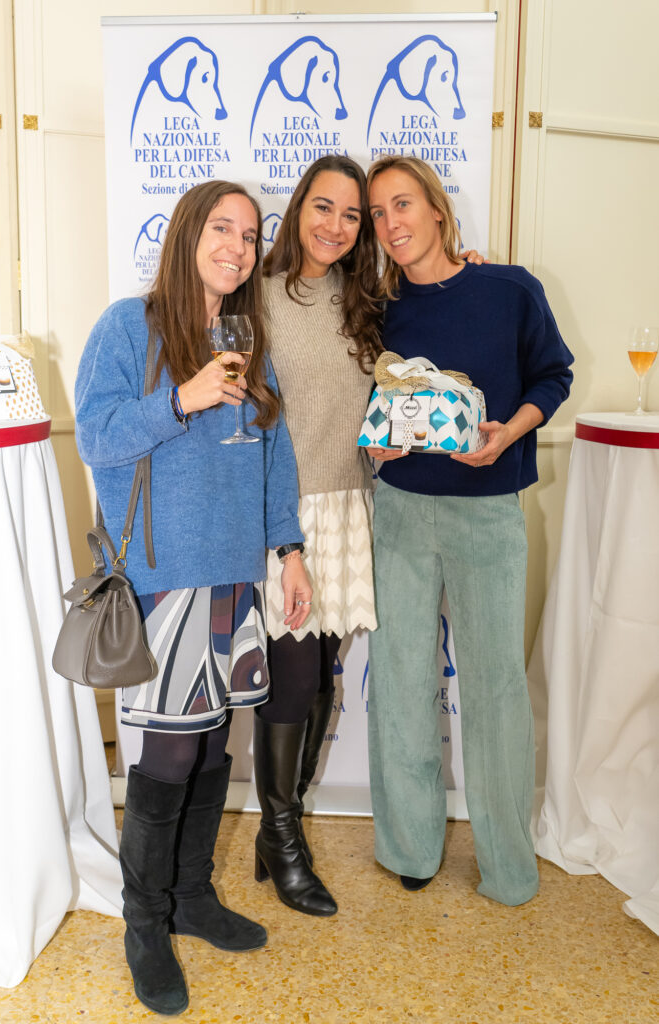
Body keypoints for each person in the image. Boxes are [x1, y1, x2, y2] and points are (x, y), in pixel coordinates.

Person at [75, 180, 312, 1017]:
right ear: (188, 234)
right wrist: (183, 397)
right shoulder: (126, 327)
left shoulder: (249, 337)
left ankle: (193, 898)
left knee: (213, 749)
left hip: (235, 575)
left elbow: (274, 455)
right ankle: (145, 924)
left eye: (250, 236)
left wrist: (287, 551)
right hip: (162, 577)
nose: (238, 248)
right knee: (168, 755)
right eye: (223, 229)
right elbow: (96, 436)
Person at [365, 155, 574, 906]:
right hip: (400, 511)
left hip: (489, 510)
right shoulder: (377, 309)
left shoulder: (510, 289)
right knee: (399, 681)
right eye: (379, 213)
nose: (392, 224)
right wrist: (377, 444)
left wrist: (510, 432)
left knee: (494, 689)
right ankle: (411, 846)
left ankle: (509, 865)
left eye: (403, 205)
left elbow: (554, 376)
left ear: (437, 210)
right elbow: (370, 412)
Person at [255, 156, 382, 916]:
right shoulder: (259, 298)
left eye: (352, 215)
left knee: (324, 678)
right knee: (294, 680)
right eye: (323, 208)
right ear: (298, 208)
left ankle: (278, 833)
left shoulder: (367, 301)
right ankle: (285, 837)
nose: (336, 226)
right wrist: (280, 540)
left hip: (349, 509)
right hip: (285, 518)